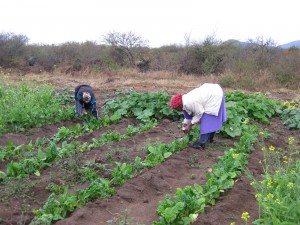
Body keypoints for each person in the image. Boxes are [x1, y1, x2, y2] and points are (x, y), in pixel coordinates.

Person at [169, 83, 227, 150]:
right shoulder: (184, 101)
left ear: (179, 106)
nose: (177, 110)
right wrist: (185, 123)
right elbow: (188, 115)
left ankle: (201, 143)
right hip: (211, 91)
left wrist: (189, 126)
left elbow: (199, 113)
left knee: (208, 119)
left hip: (214, 94)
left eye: (176, 109)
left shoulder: (189, 102)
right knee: (210, 119)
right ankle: (209, 138)